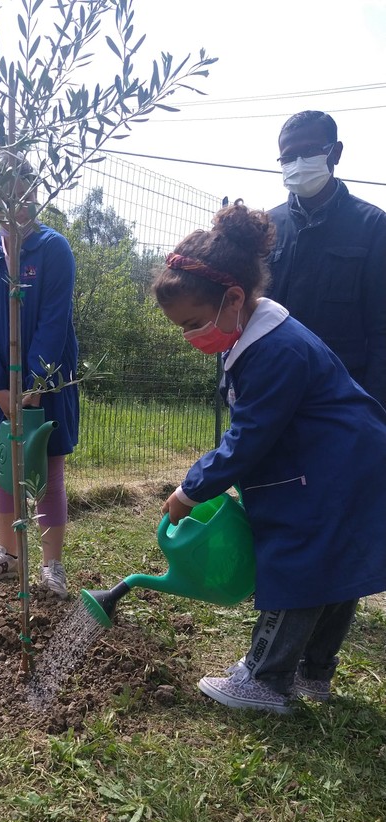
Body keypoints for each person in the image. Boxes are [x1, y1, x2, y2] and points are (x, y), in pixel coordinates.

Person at [153, 200, 386, 714]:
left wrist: (191, 488)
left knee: (297, 564)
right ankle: (312, 674)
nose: (191, 337)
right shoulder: (261, 335)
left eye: (193, 323)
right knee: (335, 567)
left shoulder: (275, 350)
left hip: (335, 468)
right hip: (348, 461)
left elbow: (250, 435)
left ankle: (263, 679)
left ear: (233, 297)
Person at [0, 159, 79, 599]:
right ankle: (7, 557)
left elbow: (54, 321)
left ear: (34, 193)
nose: (13, 203)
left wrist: (30, 387)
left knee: (47, 470)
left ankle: (52, 567)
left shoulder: (53, 249)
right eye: (1, 195)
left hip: (46, 384)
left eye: (22, 192)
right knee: (3, 468)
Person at [267, 110, 386, 407]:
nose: (297, 163)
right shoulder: (267, 227)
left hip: (342, 395)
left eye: (308, 151)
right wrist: (231, 382)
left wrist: (374, 406)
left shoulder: (373, 226)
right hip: (270, 387)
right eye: (288, 157)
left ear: (336, 152)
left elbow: (381, 327)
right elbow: (240, 312)